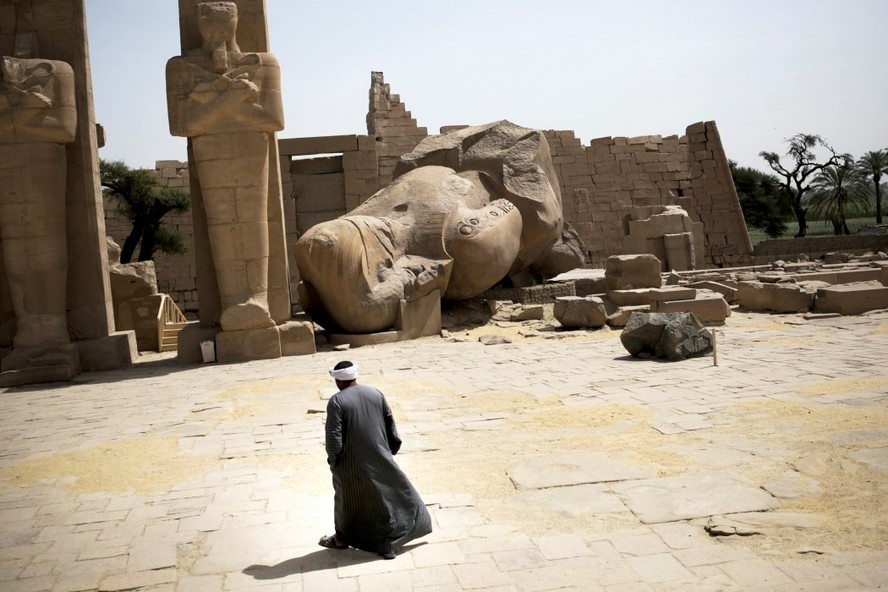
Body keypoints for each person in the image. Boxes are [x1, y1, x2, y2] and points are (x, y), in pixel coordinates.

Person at [320, 361, 432, 559]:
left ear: (338, 380)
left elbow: (333, 437)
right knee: (388, 497)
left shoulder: (337, 402)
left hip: (350, 461)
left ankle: (342, 539)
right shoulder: (375, 393)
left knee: (347, 499)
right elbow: (390, 422)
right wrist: (389, 450)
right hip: (380, 454)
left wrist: (334, 461)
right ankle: (392, 541)